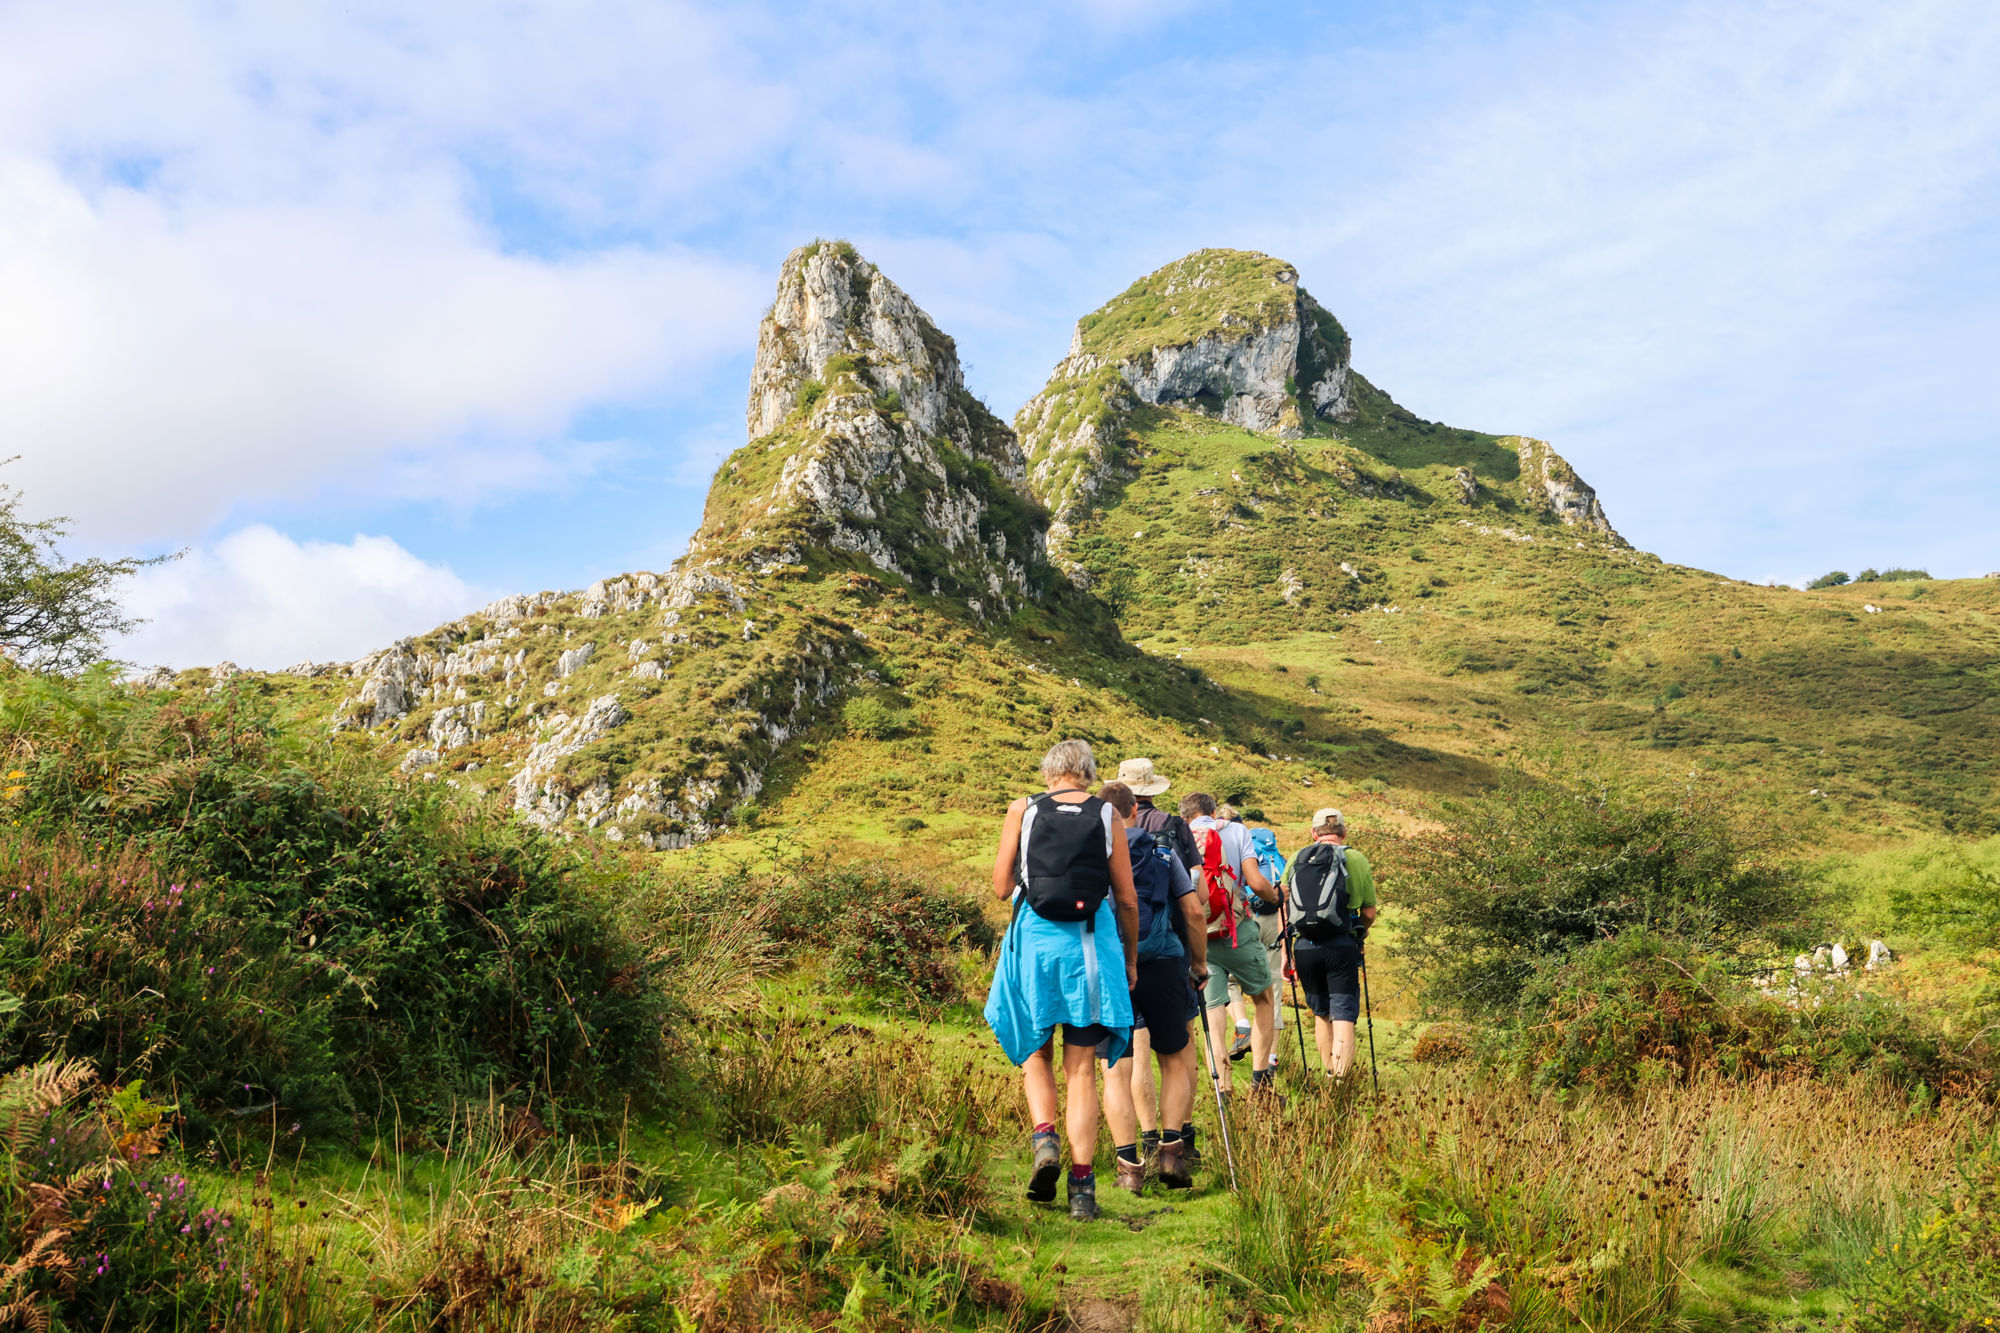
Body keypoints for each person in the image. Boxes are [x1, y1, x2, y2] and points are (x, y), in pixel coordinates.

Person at [985, 740, 1141, 1221]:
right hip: (1090, 949)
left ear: (1050, 773)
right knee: (1081, 1070)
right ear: (1090, 774)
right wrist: (1130, 961)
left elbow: (1000, 887)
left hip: (1034, 944)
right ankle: (1082, 1189)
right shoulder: (1107, 816)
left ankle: (1044, 1137)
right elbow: (1127, 899)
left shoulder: (1023, 809)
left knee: (1036, 1051)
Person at [1094, 781, 1208, 1194]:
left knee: (1117, 1068)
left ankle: (1128, 1169)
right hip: (1163, 962)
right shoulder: (1163, 850)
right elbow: (1194, 911)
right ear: (1132, 811)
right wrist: (1197, 964)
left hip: (1112, 968)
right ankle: (1172, 1151)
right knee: (1174, 1058)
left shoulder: (1095, 854)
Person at [1181, 792, 1279, 1093]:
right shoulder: (1237, 831)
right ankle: (1260, 1078)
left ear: (1186, 816)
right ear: (1214, 811)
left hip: (1200, 937)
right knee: (1263, 998)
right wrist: (1276, 898)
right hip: (1237, 932)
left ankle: (1222, 1085)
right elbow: (1257, 882)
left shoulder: (1182, 835)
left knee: (1213, 1009)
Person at [1282, 808, 1378, 1078]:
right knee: (1343, 1014)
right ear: (1344, 833)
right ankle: (1341, 1082)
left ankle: (1328, 1072)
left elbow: (1284, 907)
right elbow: (1369, 913)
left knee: (1321, 1012)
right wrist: (1361, 931)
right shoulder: (1356, 859)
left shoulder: (1295, 859)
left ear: (1314, 833)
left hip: (1304, 947)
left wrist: (1284, 954)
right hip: (1341, 946)